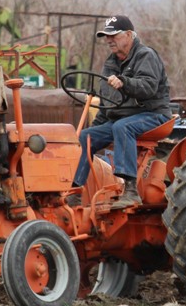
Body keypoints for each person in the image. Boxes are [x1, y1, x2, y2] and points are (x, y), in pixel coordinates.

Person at [69, 15, 171, 209]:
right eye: (106, 36)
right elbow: (108, 102)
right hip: (123, 118)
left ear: (129, 35)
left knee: (123, 127)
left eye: (113, 35)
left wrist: (125, 82)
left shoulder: (146, 55)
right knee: (85, 136)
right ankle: (74, 192)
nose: (109, 40)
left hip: (153, 114)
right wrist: (96, 128)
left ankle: (131, 191)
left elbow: (148, 87)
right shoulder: (111, 63)